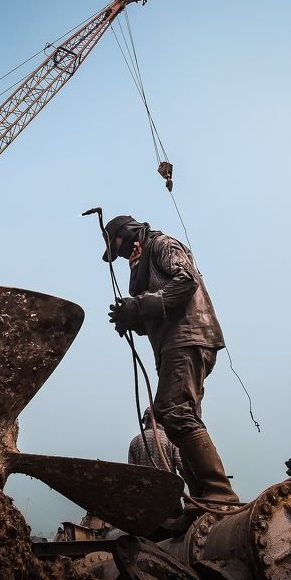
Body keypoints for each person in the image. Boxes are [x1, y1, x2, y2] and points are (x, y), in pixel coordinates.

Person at [104, 215, 240, 523]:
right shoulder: (142, 266)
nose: (124, 256)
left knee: (172, 410)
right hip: (171, 344)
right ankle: (202, 504)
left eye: (121, 248)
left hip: (188, 336)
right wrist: (131, 317)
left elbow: (187, 280)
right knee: (180, 416)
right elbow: (151, 309)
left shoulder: (164, 244)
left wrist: (140, 306)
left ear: (129, 235)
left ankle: (220, 494)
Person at [128, 407, 182, 475]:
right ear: (160, 420)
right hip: (167, 483)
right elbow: (180, 464)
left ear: (145, 421)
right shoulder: (169, 438)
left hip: (144, 484)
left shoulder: (135, 441)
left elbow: (131, 471)